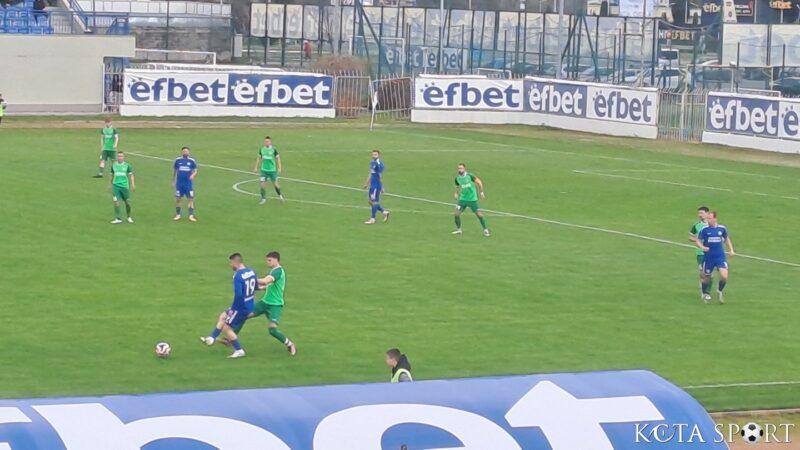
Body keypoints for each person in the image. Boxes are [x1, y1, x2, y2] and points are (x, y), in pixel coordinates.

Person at [200, 253, 257, 358]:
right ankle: (212, 338)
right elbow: (256, 286)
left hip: (240, 307)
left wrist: (234, 309)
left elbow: (239, 294)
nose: (230, 265)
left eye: (231, 263)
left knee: (226, 328)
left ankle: (239, 350)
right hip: (249, 304)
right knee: (223, 315)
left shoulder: (238, 276)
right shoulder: (251, 271)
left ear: (235, 262)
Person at [251, 251, 297, 355]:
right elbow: (270, 286)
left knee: (272, 330)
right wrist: (260, 288)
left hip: (275, 305)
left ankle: (290, 344)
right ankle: (231, 339)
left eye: (269, 260)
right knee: (244, 315)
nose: (267, 262)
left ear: (276, 260)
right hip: (264, 303)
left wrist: (251, 279)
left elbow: (265, 281)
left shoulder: (278, 271)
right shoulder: (273, 271)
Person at [694, 211, 735, 304]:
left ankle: (719, 291)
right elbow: (697, 240)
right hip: (709, 258)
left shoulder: (722, 228)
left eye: (710, 218)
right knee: (706, 278)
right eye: (707, 219)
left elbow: (727, 239)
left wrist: (731, 250)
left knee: (724, 276)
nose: (708, 220)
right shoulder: (704, 229)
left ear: (715, 219)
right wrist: (702, 247)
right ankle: (704, 293)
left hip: (720, 257)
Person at [452, 163, 489, 237]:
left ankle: (485, 229)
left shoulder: (470, 176)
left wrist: (481, 192)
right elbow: (457, 186)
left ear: (464, 169)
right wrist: (456, 193)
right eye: (458, 168)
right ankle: (459, 230)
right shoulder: (457, 178)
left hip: (472, 199)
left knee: (479, 214)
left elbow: (479, 182)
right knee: (456, 214)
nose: (459, 170)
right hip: (462, 200)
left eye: (461, 168)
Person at [253, 136, 284, 205]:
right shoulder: (262, 149)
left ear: (270, 142)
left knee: (276, 185)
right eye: (265, 141)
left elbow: (278, 158)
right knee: (262, 185)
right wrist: (256, 167)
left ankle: (280, 196)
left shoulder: (273, 149)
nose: (266, 142)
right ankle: (263, 199)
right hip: (264, 170)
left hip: (272, 170)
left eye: (268, 141)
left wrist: (280, 168)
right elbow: (259, 158)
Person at [363, 150, 390, 224]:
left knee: (374, 202)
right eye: (373, 154)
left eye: (375, 154)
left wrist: (382, 187)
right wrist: (366, 183)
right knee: (370, 201)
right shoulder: (372, 162)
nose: (374, 156)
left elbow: (379, 176)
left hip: (376, 186)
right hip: (372, 185)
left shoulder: (379, 164)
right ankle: (384, 212)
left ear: (379, 155)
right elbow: (371, 173)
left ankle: (373, 219)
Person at [173, 146, 198, 222]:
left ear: (189, 152)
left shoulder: (192, 161)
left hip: (188, 184)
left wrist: (193, 175)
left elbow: (195, 171)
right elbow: (175, 171)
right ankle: (178, 215)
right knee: (178, 199)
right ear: (182, 152)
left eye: (186, 151)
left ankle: (191, 215)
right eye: (184, 151)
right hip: (179, 184)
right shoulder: (178, 160)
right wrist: (173, 180)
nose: (185, 152)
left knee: (190, 199)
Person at [110, 152, 135, 224]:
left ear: (123, 157)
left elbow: (131, 175)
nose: (120, 157)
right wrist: (110, 184)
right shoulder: (114, 165)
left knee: (127, 203)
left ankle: (129, 217)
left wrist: (133, 184)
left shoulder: (127, 165)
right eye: (118, 156)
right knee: (116, 202)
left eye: (121, 156)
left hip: (124, 186)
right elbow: (112, 175)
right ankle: (118, 218)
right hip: (116, 186)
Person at [689, 206, 710, 294]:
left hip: (711, 252)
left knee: (709, 273)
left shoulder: (712, 224)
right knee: (703, 272)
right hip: (700, 252)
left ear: (707, 213)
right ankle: (704, 288)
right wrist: (697, 240)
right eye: (699, 213)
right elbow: (690, 237)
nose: (699, 215)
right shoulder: (696, 225)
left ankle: (707, 292)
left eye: (701, 213)